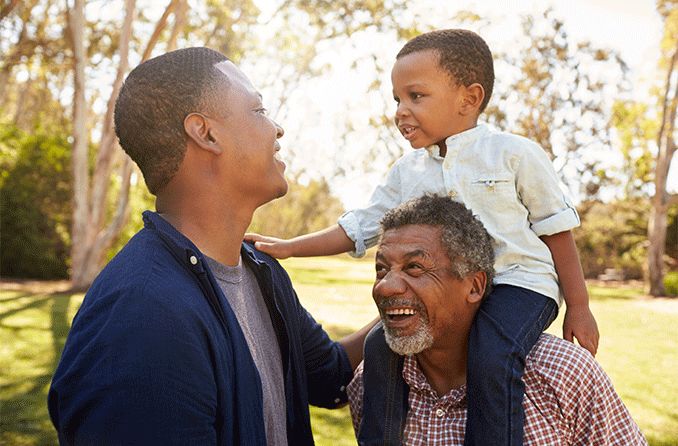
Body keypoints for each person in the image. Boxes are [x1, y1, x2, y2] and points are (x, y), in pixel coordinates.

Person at [246, 29, 599, 445]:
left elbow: (556, 230)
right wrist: (290, 248)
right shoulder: (407, 172)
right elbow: (359, 226)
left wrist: (578, 305)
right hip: (446, 295)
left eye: (416, 96)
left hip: (518, 286)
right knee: (379, 349)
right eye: (397, 99)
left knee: (492, 355)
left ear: (469, 98)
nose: (401, 111)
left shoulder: (514, 154)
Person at [47, 47, 375, 446]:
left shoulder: (261, 271)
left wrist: (408, 302)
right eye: (259, 111)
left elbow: (331, 376)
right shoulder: (141, 316)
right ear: (206, 133)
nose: (277, 129)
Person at [347, 194, 646, 445]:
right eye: (382, 270)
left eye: (414, 268)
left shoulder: (563, 374)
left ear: (475, 286)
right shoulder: (371, 383)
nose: (385, 287)